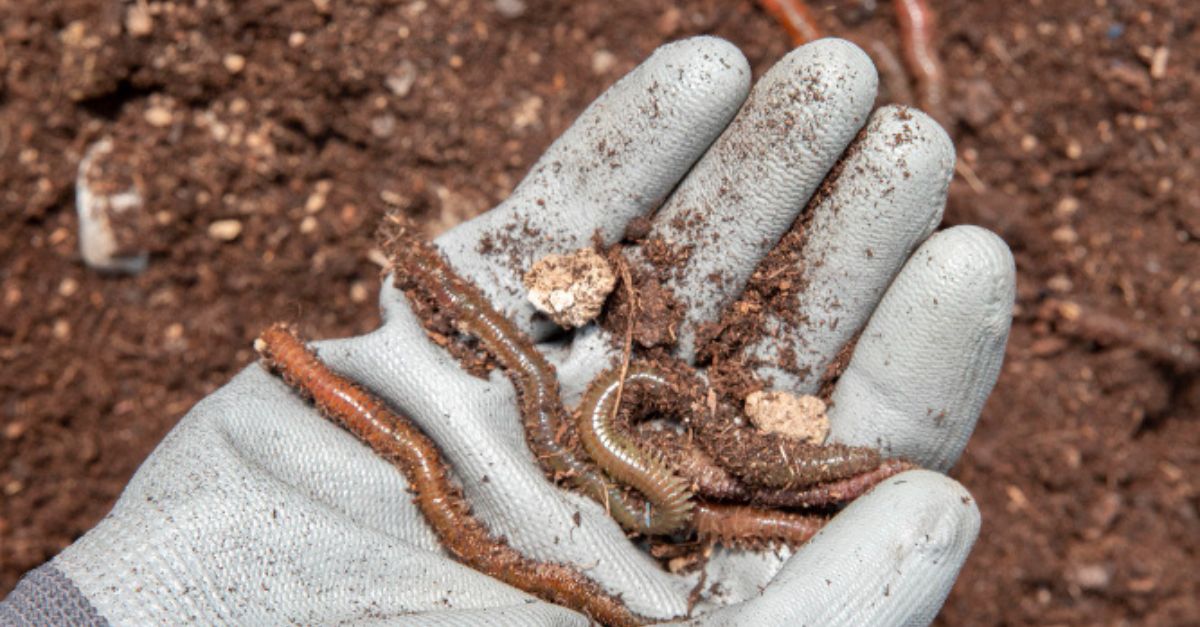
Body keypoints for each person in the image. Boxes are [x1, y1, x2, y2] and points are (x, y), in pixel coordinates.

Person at [0, 37, 1014, 625]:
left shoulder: (614, 436)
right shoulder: (599, 449)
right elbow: (622, 489)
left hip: (630, 446)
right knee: (560, 432)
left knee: (577, 430)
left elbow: (636, 485)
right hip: (622, 457)